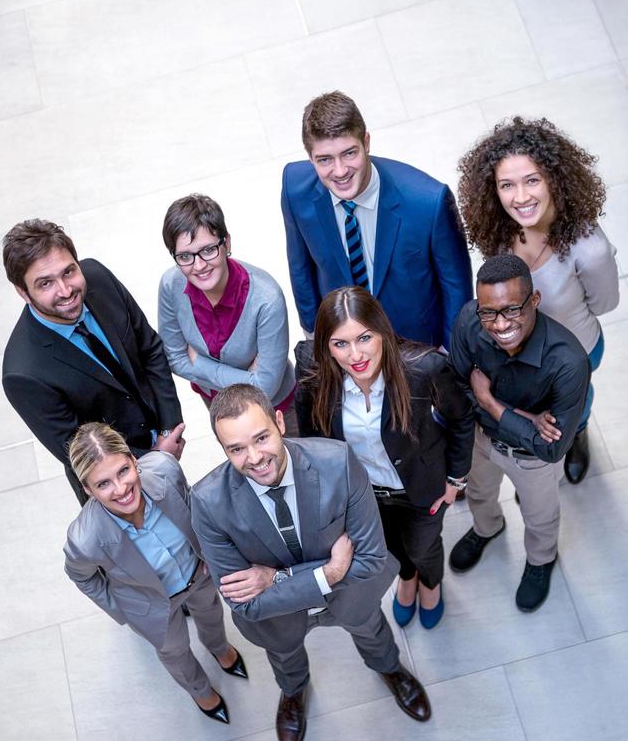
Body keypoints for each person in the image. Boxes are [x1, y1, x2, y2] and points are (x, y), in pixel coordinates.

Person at [191, 384, 431, 741]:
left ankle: (389, 667)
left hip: (350, 595)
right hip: (278, 618)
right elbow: (246, 605)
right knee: (284, 656)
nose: (254, 458)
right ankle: (293, 691)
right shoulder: (207, 502)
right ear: (224, 450)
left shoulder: (337, 462)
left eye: (261, 438)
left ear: (280, 422)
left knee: (372, 630)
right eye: (236, 449)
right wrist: (329, 572)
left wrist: (276, 579)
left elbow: (370, 559)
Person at [295, 287, 474, 630]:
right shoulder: (313, 373)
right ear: (326, 346)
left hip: (421, 490)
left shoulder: (424, 369)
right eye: (340, 343)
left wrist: (456, 479)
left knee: (423, 547)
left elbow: (462, 418)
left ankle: (431, 583)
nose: (355, 354)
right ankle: (407, 577)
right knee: (392, 550)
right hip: (365, 495)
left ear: (382, 332)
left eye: (364, 338)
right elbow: (312, 443)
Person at [458, 116, 619, 484]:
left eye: (532, 180)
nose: (521, 197)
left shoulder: (589, 249)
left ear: (553, 179)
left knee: (572, 404)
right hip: (517, 347)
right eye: (507, 185)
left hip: (574, 348)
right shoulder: (499, 226)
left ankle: (577, 432)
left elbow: (605, 303)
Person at [64, 423, 248, 724]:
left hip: (197, 573)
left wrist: (210, 554)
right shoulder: (83, 540)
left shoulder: (165, 469)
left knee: (212, 612)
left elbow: (194, 511)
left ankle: (220, 649)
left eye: (123, 471)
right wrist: (124, 610)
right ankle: (201, 691)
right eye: (103, 484)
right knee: (174, 651)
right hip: (151, 604)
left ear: (134, 460)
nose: (121, 489)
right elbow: (83, 577)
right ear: (87, 490)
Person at [2, 219, 185, 504]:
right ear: (23, 292)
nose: (65, 291)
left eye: (69, 271)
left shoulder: (98, 277)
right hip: (115, 490)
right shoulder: (23, 373)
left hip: (165, 444)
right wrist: (157, 461)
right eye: (46, 283)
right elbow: (82, 452)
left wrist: (167, 431)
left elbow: (149, 349)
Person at [448, 255, 590, 612]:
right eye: (489, 312)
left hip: (532, 461)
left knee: (540, 517)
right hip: (483, 440)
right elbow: (456, 385)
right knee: (480, 494)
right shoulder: (469, 319)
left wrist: (491, 401)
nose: (499, 324)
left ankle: (541, 561)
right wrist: (527, 416)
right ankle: (487, 528)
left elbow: (551, 449)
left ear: (535, 300)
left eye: (512, 309)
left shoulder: (569, 362)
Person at [281, 90, 472, 346]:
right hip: (344, 342)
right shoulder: (295, 188)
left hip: (414, 345)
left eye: (349, 153)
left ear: (367, 142)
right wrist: (315, 334)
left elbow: (456, 287)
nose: (339, 171)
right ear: (310, 158)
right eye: (325, 159)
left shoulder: (429, 201)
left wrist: (452, 355)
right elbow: (300, 266)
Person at [158, 193, 298, 433]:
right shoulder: (171, 285)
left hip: (275, 410)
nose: (199, 265)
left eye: (208, 250)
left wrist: (198, 362)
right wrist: (247, 378)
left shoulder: (267, 298)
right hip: (217, 407)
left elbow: (265, 389)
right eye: (185, 256)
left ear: (227, 243)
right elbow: (174, 358)